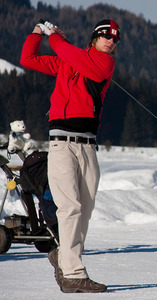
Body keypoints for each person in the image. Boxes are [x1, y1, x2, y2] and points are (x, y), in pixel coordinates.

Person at [21, 18, 121, 293]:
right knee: (70, 208)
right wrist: (38, 32)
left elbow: (70, 54)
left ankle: (62, 258)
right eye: (106, 36)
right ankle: (73, 273)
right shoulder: (69, 58)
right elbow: (28, 59)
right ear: (94, 37)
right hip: (61, 145)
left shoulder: (103, 63)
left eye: (115, 39)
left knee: (84, 211)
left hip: (88, 146)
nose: (111, 41)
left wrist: (56, 38)